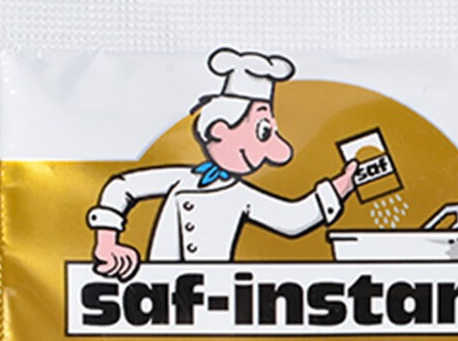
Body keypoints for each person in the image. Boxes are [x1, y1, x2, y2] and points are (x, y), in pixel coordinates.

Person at [87, 47, 356, 280]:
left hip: (215, 301)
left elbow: (291, 218)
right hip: (155, 302)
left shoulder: (240, 195)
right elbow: (121, 187)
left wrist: (340, 186)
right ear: (220, 128)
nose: (278, 153)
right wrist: (107, 242)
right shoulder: (180, 178)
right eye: (264, 131)